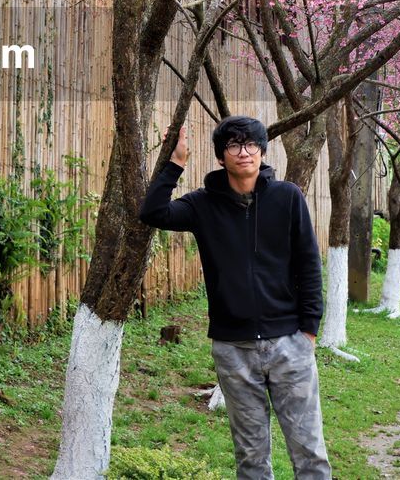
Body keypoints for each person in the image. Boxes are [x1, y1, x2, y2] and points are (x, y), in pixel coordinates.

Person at [139, 117, 331, 480]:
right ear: (220, 156)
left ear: (262, 151)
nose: (244, 152)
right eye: (234, 145)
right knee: (251, 456)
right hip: (233, 348)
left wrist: (309, 332)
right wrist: (175, 162)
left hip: (290, 343)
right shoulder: (202, 205)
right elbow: (153, 212)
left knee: (309, 451)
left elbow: (308, 263)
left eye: (251, 145)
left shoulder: (287, 197)